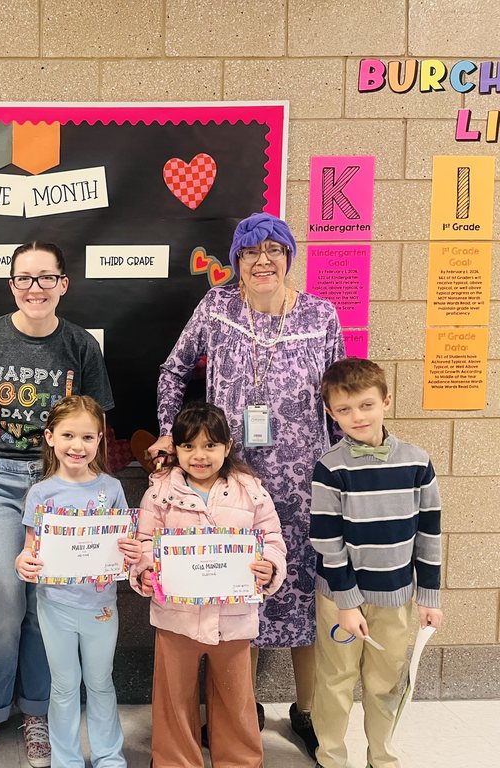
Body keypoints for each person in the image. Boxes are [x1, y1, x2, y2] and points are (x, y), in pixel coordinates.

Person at [150, 212, 344, 757]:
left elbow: (337, 401)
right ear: (236, 261)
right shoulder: (217, 308)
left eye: (274, 250)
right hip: (228, 482)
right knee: (237, 591)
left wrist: (341, 473)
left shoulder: (320, 316)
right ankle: (243, 709)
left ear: (289, 257)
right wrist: (171, 433)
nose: (263, 260)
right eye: (251, 251)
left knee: (305, 593)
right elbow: (173, 370)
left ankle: (309, 713)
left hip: (305, 485)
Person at [0, 241, 114, 767]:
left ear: (64, 284)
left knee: (47, 608)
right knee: (3, 603)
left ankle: (38, 713)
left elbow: (95, 428)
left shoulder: (81, 346)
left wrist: (94, 495)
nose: (35, 288)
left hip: (60, 489)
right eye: (24, 278)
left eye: (46, 278)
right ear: (11, 284)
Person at [133, 402, 287, 767]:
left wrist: (270, 567)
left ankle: (240, 760)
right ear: (177, 449)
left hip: (234, 619)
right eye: (188, 446)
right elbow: (143, 544)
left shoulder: (251, 491)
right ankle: (174, 760)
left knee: (235, 697)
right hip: (176, 617)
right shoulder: (159, 493)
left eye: (210, 446)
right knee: (174, 697)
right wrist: (144, 571)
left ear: (228, 446)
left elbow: (274, 540)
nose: (198, 456)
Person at [310, 358, 443, 768]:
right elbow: (327, 540)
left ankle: (382, 757)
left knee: (384, 683)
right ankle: (331, 757)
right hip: (339, 598)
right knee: (335, 682)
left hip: (396, 599)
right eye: (344, 409)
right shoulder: (331, 467)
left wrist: (429, 596)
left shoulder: (417, 462)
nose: (357, 416)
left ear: (386, 401)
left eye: (366, 405)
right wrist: (347, 603)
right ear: (330, 413)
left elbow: (429, 533)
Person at [15, 395, 141, 768]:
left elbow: (124, 545)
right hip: (55, 606)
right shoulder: (40, 493)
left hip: (101, 605)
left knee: (101, 683)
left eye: (88, 437)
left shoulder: (112, 488)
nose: (78, 445)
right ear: (50, 437)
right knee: (65, 686)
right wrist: (24, 562)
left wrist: (130, 553)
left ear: (100, 440)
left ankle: (108, 756)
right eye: (68, 435)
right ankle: (66, 759)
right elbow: (29, 551)